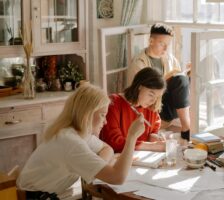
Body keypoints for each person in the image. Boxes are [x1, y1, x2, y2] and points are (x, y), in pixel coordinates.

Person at [17, 84, 145, 199]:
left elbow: (107, 149)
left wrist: (97, 168)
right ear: (87, 114)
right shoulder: (70, 142)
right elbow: (118, 177)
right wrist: (132, 137)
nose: (105, 121)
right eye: (102, 115)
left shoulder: (77, 133)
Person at [128, 23, 191, 141]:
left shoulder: (170, 58)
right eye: (162, 44)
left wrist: (188, 74)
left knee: (193, 75)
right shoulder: (139, 63)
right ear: (151, 41)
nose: (166, 48)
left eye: (168, 44)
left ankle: (188, 125)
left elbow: (179, 89)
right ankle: (186, 128)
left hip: (170, 106)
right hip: (153, 108)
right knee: (180, 80)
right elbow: (141, 97)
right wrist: (168, 78)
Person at [100, 68, 166, 153]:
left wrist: (153, 136)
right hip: (118, 160)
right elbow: (114, 143)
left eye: (157, 97)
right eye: (151, 94)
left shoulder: (151, 107)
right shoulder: (114, 103)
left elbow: (154, 128)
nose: (153, 101)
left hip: (140, 159)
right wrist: (153, 146)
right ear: (139, 87)